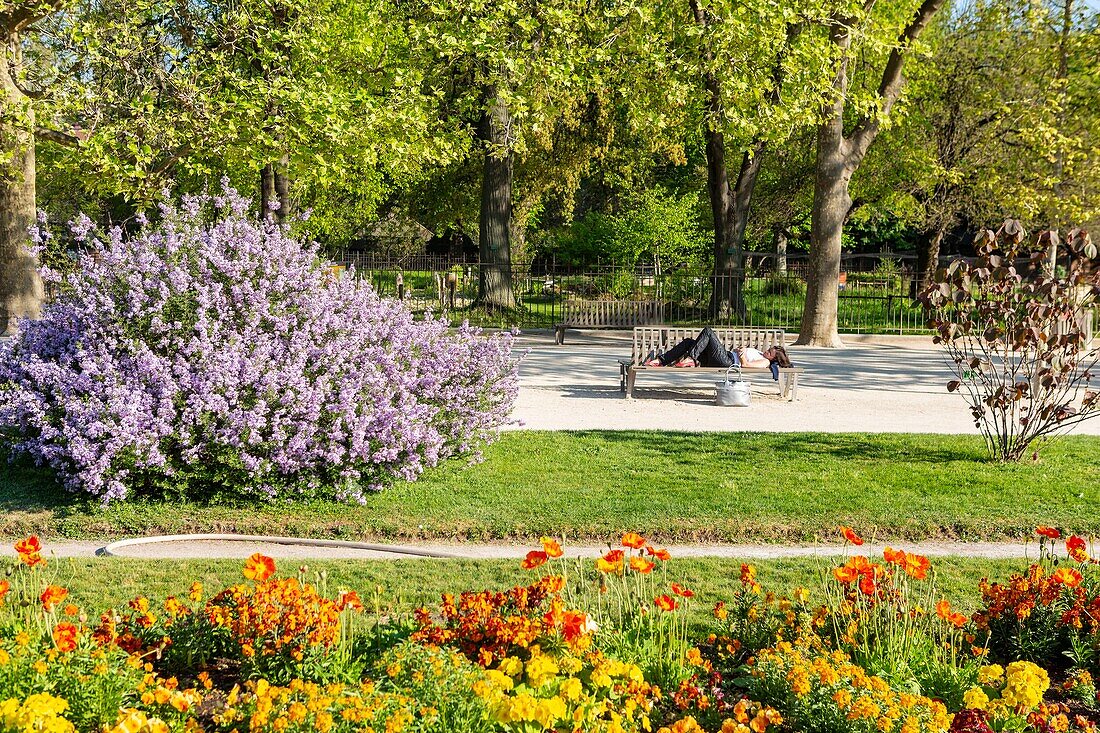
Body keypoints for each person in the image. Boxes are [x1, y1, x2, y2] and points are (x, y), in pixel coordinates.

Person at [644, 328, 792, 379]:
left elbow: (746, 365)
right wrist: (739, 350)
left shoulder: (765, 362)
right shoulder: (762, 354)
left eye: (770, 352)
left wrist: (740, 355)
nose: (767, 351)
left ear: (774, 358)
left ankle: (691, 359)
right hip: (724, 356)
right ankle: (661, 361)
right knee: (690, 342)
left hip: (727, 362)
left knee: (708, 331)